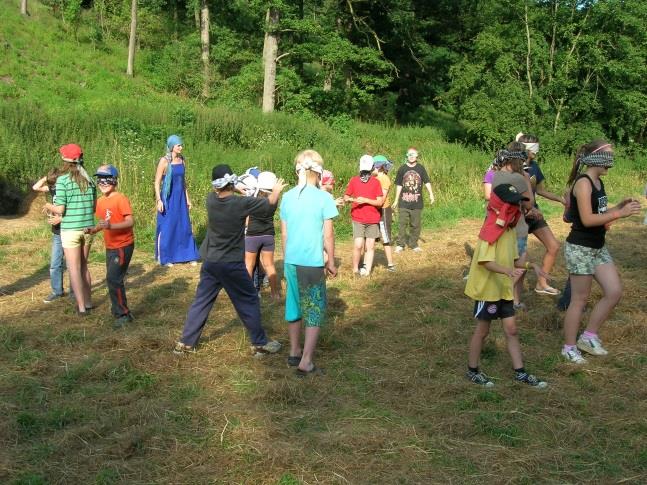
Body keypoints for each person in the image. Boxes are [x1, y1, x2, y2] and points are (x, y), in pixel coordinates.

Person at [173, 164, 285, 357]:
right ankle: (259, 343)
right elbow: (268, 207)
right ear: (232, 182)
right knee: (249, 299)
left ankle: (185, 343)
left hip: (210, 262)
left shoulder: (210, 200)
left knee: (201, 301)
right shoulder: (241, 204)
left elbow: (222, 193)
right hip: (231, 264)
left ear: (216, 185)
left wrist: (234, 187)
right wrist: (275, 191)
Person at [561, 140, 641, 364]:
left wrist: (618, 207)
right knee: (580, 299)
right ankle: (568, 347)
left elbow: (601, 215)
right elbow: (587, 220)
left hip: (598, 247)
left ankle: (588, 336)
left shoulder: (598, 182)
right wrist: (620, 214)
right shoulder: (584, 183)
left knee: (614, 291)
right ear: (596, 158)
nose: (611, 160)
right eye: (609, 155)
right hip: (580, 248)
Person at [464, 183, 548, 388]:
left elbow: (515, 261)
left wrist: (532, 266)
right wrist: (507, 271)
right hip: (488, 290)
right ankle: (472, 370)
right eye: (513, 205)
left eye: (519, 204)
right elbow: (485, 261)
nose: (518, 209)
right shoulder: (491, 230)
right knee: (483, 331)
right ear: (501, 206)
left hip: (503, 289)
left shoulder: (510, 231)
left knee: (511, 330)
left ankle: (520, 373)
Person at [280, 150, 338, 376]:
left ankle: (294, 351)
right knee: (313, 309)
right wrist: (331, 261)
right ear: (318, 172)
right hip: (312, 263)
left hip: (291, 261)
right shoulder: (324, 198)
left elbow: (284, 235)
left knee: (293, 305)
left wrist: (286, 260)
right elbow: (328, 236)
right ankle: (306, 361)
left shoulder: (287, 197)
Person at [44, 144, 96, 316]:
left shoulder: (63, 180)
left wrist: (48, 204)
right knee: (84, 267)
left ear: (64, 160)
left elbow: (60, 210)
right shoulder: (90, 180)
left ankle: (81, 308)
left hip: (71, 230)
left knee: (73, 268)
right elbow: (94, 207)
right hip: (88, 228)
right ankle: (88, 302)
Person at [86, 165, 135, 328]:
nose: (102, 182)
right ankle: (117, 311)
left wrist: (111, 226)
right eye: (99, 179)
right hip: (110, 246)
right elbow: (103, 222)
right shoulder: (100, 201)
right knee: (113, 279)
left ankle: (124, 314)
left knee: (114, 278)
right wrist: (93, 230)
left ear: (114, 180)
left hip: (123, 245)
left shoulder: (120, 198)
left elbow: (130, 221)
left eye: (106, 179)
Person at [491, 143, 538, 311]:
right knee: (519, 266)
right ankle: (506, 299)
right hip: (517, 228)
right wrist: (526, 179)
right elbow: (529, 204)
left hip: (500, 228)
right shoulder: (518, 178)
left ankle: (513, 299)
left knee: (504, 265)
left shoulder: (496, 175)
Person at [516, 133, 563, 295]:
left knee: (554, 246)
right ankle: (515, 299)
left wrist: (561, 199)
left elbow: (541, 190)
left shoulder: (535, 167)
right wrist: (525, 210)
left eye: (538, 146)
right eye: (533, 147)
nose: (536, 150)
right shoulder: (514, 167)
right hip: (519, 217)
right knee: (521, 259)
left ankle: (541, 284)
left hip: (534, 215)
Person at [154, 135, 199, 267]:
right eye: (178, 145)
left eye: (181, 145)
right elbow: (157, 183)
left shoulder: (182, 160)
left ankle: (188, 255)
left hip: (180, 197)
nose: (181, 147)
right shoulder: (164, 161)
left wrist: (188, 199)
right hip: (168, 198)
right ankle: (166, 257)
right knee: (169, 225)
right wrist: (158, 200)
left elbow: (183, 182)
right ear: (172, 146)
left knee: (184, 225)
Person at [33, 167, 71, 303]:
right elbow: (35, 187)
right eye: (52, 184)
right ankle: (57, 291)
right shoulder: (52, 188)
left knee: (72, 264)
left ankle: (75, 291)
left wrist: (60, 218)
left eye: (54, 183)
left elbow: (73, 210)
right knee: (55, 263)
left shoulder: (67, 189)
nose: (53, 187)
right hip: (57, 232)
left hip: (69, 229)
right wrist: (46, 178)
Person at [344, 155, 384, 276]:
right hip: (358, 218)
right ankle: (355, 269)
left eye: (367, 170)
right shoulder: (354, 180)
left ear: (372, 168)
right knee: (358, 245)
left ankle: (367, 271)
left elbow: (380, 202)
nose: (365, 173)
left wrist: (366, 200)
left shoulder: (376, 182)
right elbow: (346, 197)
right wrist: (353, 199)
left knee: (370, 246)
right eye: (363, 171)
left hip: (372, 219)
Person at [245, 171, 281, 301]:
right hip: (268, 235)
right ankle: (275, 293)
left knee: (249, 265)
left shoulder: (252, 200)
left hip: (252, 235)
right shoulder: (275, 200)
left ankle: (248, 294)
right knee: (269, 265)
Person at [392, 147, 435, 252]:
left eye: (413, 154)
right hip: (403, 203)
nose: (411, 156)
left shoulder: (421, 168)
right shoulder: (402, 169)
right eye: (409, 154)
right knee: (402, 224)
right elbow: (398, 185)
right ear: (407, 156)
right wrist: (396, 200)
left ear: (417, 156)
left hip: (417, 203)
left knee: (416, 225)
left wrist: (431, 194)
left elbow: (427, 181)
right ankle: (400, 244)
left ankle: (413, 244)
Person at [373, 155, 396, 272]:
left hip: (383, 211)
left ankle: (391, 264)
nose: (372, 169)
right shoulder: (373, 178)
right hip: (373, 209)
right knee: (370, 237)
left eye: (374, 167)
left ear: (379, 167)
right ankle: (366, 263)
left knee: (385, 238)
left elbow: (381, 199)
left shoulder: (384, 179)